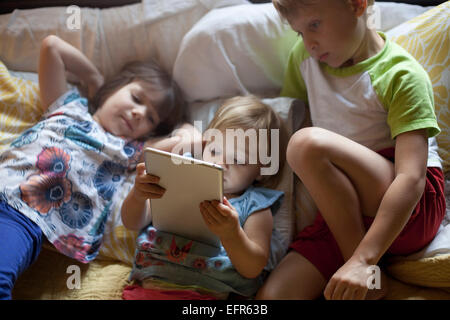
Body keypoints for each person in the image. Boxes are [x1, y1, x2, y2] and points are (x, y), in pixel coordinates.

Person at [256, 0, 445, 300]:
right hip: (341, 213)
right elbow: (286, 121)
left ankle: (366, 271)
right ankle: (381, 283)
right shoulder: (304, 59)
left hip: (409, 206)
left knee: (306, 144)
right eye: (299, 33)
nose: (309, 43)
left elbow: (411, 179)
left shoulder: (401, 75)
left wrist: (363, 260)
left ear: (357, 5)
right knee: (271, 298)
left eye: (315, 25)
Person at [0, 35, 188, 300]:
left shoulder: (127, 152)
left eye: (151, 118)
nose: (138, 113)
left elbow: (182, 143)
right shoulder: (67, 106)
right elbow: (52, 46)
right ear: (116, 87)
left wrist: (185, 129)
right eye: (136, 98)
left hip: (23, 215)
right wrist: (94, 78)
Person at [121, 96, 288, 299]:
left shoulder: (255, 205)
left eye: (238, 159)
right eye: (215, 150)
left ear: (262, 170)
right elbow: (131, 222)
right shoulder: (180, 173)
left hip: (208, 293)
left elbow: (253, 268)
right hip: (150, 287)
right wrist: (138, 195)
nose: (221, 163)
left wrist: (232, 233)